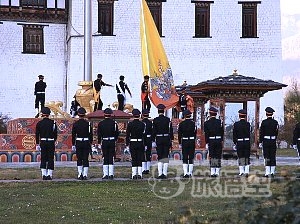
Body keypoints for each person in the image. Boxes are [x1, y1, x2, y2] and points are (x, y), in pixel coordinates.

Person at [35, 107, 57, 180]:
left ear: (42, 114)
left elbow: (37, 134)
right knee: (50, 158)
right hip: (51, 141)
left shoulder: (39, 123)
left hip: (43, 141)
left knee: (43, 157)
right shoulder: (53, 123)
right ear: (49, 114)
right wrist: (53, 140)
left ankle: (44, 174)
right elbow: (55, 134)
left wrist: (37, 144)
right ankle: (49, 175)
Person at [152, 104, 174, 179]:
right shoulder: (168, 120)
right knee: (165, 156)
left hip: (159, 139)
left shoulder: (155, 120)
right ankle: (164, 173)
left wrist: (153, 140)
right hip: (166, 139)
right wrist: (171, 139)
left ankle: (160, 174)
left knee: (160, 156)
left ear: (158, 111)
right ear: (164, 111)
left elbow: (154, 131)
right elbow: (170, 131)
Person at [97, 108, 119, 179]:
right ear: (111, 114)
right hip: (112, 141)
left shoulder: (101, 123)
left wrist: (99, 142)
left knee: (105, 156)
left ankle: (105, 174)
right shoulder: (114, 123)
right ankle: (111, 174)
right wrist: (115, 139)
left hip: (105, 141)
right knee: (111, 157)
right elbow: (116, 133)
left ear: (104, 114)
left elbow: (99, 134)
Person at [71, 107, 93, 180]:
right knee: (85, 158)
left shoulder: (75, 124)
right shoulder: (88, 124)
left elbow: (73, 135)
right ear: (84, 115)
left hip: (78, 142)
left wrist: (73, 144)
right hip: (86, 142)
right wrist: (91, 142)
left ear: (78, 114)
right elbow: (91, 134)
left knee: (79, 158)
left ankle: (80, 174)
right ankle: (85, 174)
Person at [126, 109, 146, 179]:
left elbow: (127, 135)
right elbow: (144, 135)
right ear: (139, 115)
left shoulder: (130, 124)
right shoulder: (142, 124)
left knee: (134, 158)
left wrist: (127, 143)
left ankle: (134, 174)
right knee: (139, 158)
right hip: (140, 142)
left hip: (133, 142)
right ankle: (140, 174)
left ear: (133, 115)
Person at [204, 106, 224, 177]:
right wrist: (221, 140)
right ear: (216, 114)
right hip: (218, 140)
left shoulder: (206, 123)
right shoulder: (220, 122)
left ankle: (212, 172)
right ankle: (217, 172)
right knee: (218, 155)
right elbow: (222, 133)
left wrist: (206, 142)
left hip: (211, 140)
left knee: (212, 155)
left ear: (209, 114)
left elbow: (206, 134)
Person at [259, 107, 279, 178]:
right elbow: (276, 132)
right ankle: (272, 172)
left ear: (266, 114)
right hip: (273, 140)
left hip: (266, 140)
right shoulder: (275, 122)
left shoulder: (264, 122)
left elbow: (262, 133)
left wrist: (260, 141)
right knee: (273, 156)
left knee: (267, 156)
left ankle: (267, 172)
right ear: (272, 114)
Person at [178, 109, 197, 178]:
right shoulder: (194, 123)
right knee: (191, 157)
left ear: (184, 116)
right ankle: (190, 173)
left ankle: (186, 173)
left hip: (185, 141)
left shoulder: (181, 124)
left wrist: (180, 143)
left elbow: (179, 134)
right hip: (191, 141)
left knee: (185, 157)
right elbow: (195, 133)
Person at [232, 109, 251, 177]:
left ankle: (241, 171)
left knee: (240, 156)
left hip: (239, 142)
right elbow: (249, 134)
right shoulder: (248, 124)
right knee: (246, 156)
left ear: (239, 115)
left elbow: (234, 134)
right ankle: (246, 171)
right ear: (245, 116)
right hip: (246, 141)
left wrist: (235, 142)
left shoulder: (236, 124)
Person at [141, 109, 153, 174]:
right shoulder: (150, 123)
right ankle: (147, 168)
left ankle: (143, 169)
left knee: (143, 154)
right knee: (148, 154)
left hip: (143, 139)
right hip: (149, 139)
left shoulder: (141, 123)